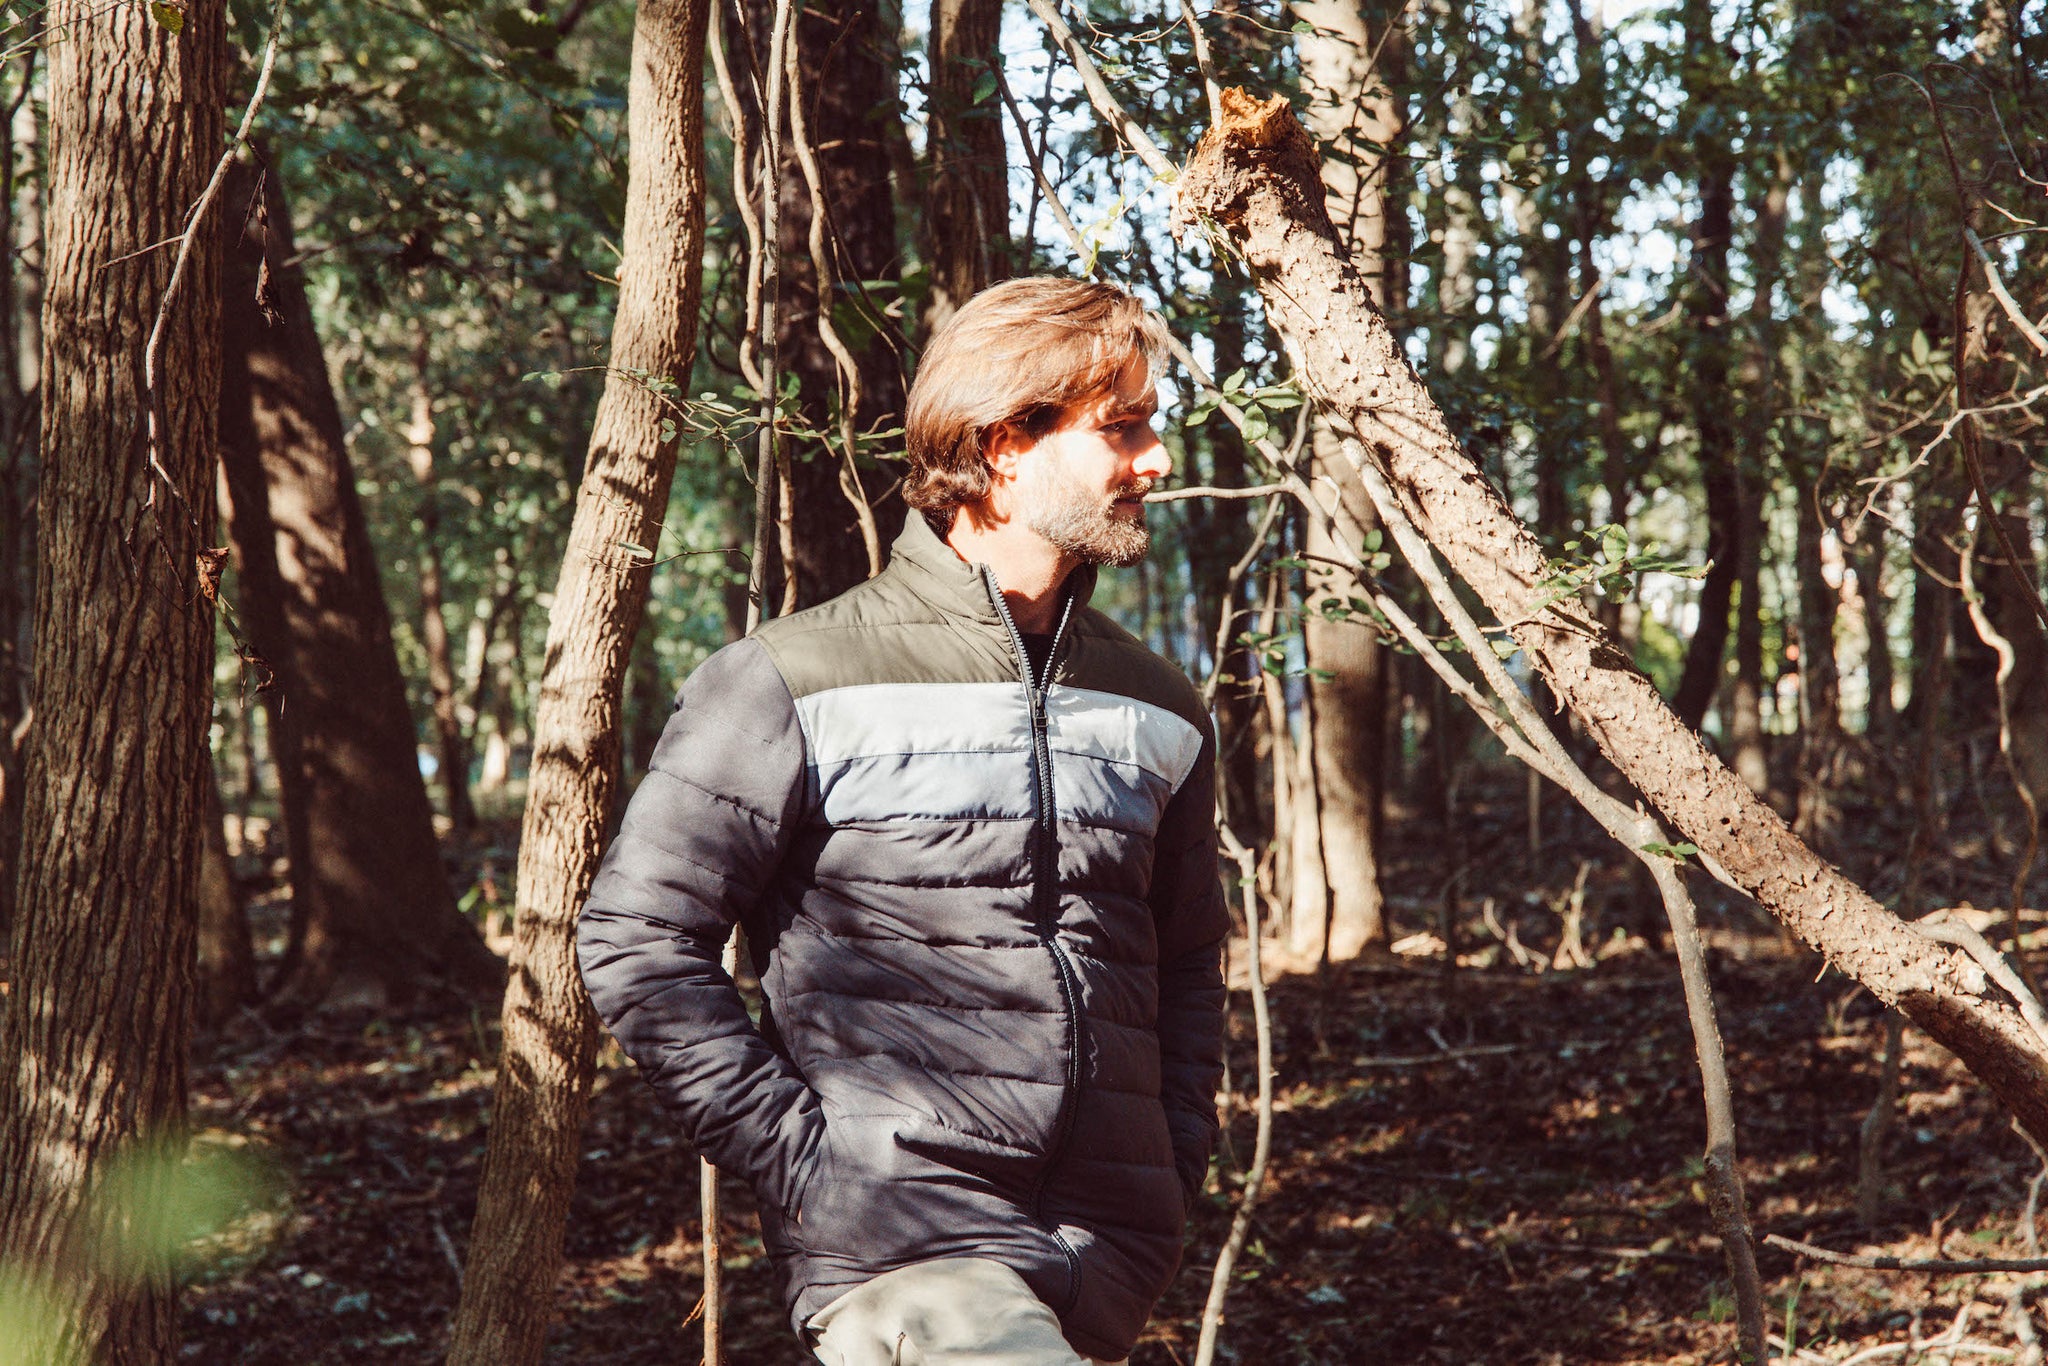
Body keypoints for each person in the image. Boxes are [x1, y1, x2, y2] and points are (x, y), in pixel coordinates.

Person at [578, 277, 1228, 1366]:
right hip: (910, 1257)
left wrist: (1168, 1159)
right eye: (1122, 427)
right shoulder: (790, 678)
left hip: (1106, 1262)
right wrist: (808, 1162)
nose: (1155, 459)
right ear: (1003, 445)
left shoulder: (1154, 703)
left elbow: (1188, 961)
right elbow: (636, 938)